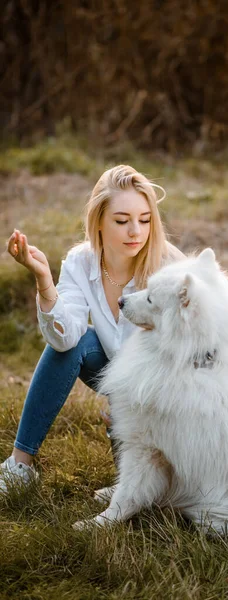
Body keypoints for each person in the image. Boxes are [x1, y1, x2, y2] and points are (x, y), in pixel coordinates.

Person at [1, 164, 185, 492]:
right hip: (116, 374)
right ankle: (19, 467)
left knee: (150, 494)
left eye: (144, 220)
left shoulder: (169, 267)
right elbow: (64, 338)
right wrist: (44, 282)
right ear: (98, 221)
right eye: (121, 220)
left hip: (166, 391)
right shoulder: (79, 262)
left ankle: (146, 482)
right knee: (79, 340)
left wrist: (137, 407)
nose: (135, 232)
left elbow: (186, 358)